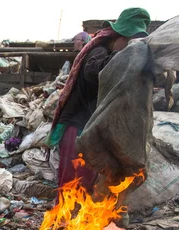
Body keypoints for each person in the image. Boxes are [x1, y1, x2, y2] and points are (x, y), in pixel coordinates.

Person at [47, 7, 151, 191]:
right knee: (72, 182)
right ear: (117, 37)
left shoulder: (112, 53)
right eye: (127, 41)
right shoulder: (99, 51)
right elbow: (92, 73)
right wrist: (120, 57)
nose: (129, 48)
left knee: (88, 181)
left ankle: (81, 218)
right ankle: (65, 219)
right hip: (76, 126)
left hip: (91, 127)